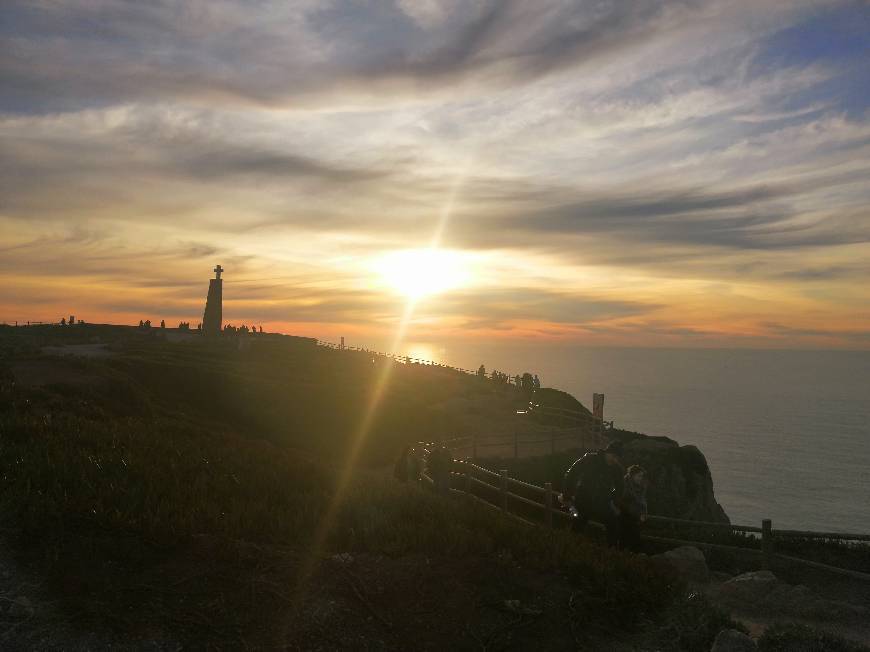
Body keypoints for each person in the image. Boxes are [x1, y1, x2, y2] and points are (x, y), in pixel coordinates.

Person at [562, 440, 625, 544]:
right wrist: (567, 496)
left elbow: (620, 487)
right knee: (577, 528)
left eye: (617, 457)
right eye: (613, 456)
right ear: (607, 452)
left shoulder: (616, 469)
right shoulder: (589, 459)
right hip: (583, 500)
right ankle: (570, 550)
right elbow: (572, 473)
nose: (614, 459)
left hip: (603, 503)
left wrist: (614, 500)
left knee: (613, 526)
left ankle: (610, 553)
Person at [617, 465, 648, 552]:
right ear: (632, 475)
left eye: (641, 476)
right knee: (625, 543)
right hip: (625, 518)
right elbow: (619, 501)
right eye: (639, 476)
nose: (640, 478)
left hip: (636, 519)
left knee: (635, 543)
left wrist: (643, 514)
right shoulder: (624, 486)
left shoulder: (640, 488)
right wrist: (631, 511)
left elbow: (642, 502)